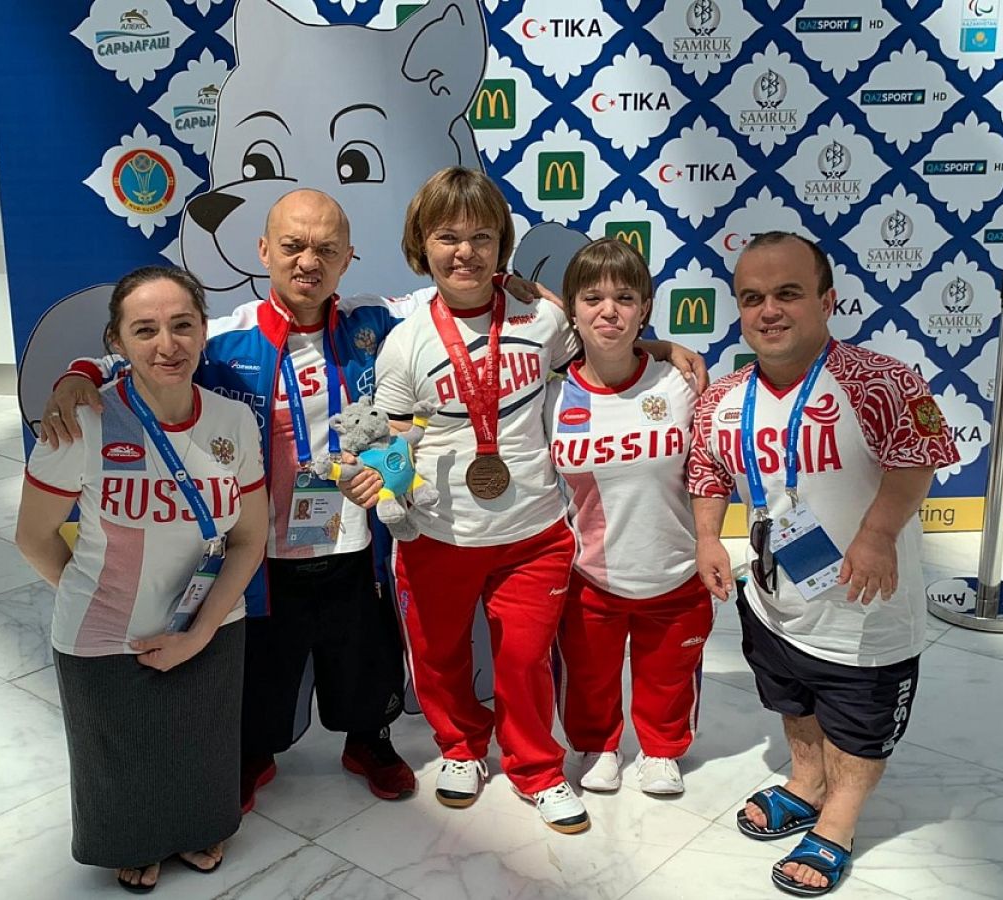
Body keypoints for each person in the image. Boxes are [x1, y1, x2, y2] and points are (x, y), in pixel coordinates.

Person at [41, 190, 424, 812]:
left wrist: (517, 286)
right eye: (293, 246)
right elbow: (130, 357)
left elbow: (451, 301)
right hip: (262, 546)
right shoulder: (222, 337)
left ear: (348, 257)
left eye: (326, 249)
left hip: (354, 541)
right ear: (264, 251)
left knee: (362, 654)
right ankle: (253, 754)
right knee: (263, 666)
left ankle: (369, 741)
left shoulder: (374, 323)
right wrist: (77, 375)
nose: (309, 261)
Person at [366, 168, 705, 832]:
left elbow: (605, 343)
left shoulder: (542, 315)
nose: (465, 252)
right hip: (436, 533)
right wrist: (377, 476)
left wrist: (661, 346)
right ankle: (460, 748)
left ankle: (537, 769)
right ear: (420, 245)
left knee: (523, 661)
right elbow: (390, 437)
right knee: (439, 658)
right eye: (447, 237)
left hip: (534, 532)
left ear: (501, 244)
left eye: (481, 237)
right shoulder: (405, 341)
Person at [687, 232, 959, 896]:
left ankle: (837, 825)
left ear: (827, 300)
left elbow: (919, 456)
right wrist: (708, 539)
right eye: (752, 297)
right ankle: (806, 783)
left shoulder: (882, 381)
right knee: (791, 697)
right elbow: (708, 471)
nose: (769, 311)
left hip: (865, 610)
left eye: (788, 293)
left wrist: (878, 533)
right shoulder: (723, 398)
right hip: (772, 601)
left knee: (860, 726)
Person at [16, 266, 269, 894]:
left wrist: (200, 631)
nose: (167, 344)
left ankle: (194, 825)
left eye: (182, 325)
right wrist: (90, 596)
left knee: (203, 744)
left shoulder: (234, 421)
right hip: (104, 633)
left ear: (204, 331)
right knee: (119, 758)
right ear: (117, 341)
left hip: (211, 621)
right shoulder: (82, 422)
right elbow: (33, 536)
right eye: (145, 330)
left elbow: (248, 538)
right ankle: (134, 839)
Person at [545, 239, 713, 797]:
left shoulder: (680, 382)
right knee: (588, 677)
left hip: (675, 569)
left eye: (624, 297)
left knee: (669, 676)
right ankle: (598, 745)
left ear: (645, 308)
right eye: (592, 298)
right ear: (572, 310)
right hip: (590, 574)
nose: (609, 311)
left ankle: (662, 749)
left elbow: (710, 470)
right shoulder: (552, 395)